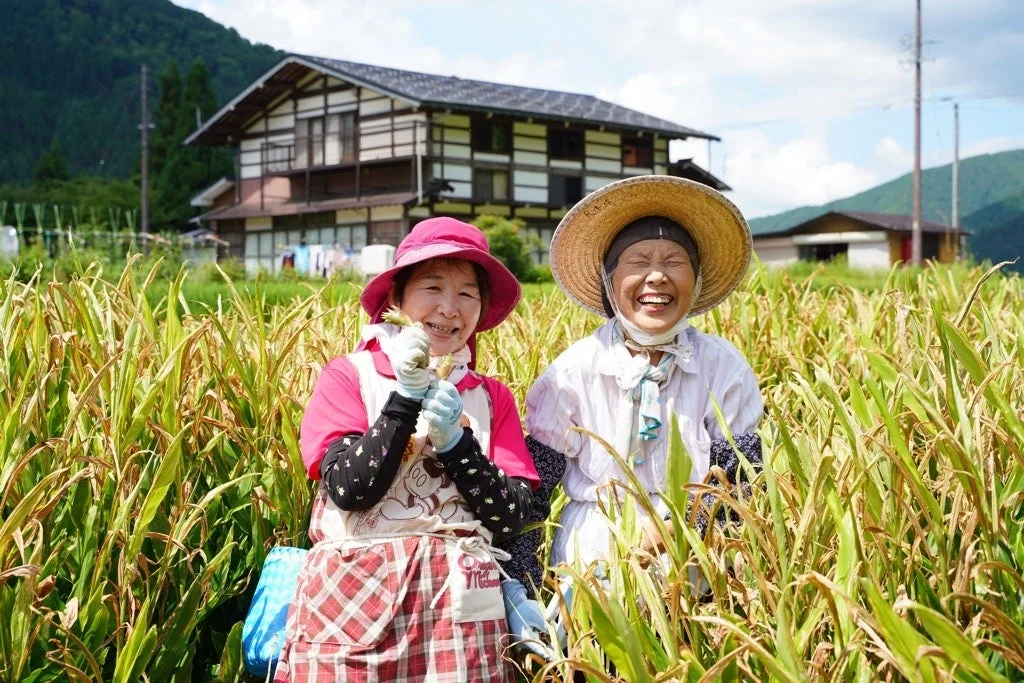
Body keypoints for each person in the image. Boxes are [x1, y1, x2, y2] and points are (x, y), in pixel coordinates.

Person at [274, 217, 541, 681]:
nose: (448, 308)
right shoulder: (349, 376)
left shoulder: (490, 397)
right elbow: (347, 488)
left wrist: (458, 445)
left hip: (462, 607)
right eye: (432, 287)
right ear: (396, 298)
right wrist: (403, 401)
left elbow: (512, 515)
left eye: (466, 293)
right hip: (353, 601)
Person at [522, 174, 764, 579]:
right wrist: (523, 581)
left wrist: (672, 530)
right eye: (638, 262)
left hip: (696, 553)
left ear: (696, 279)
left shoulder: (722, 366)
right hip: (594, 558)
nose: (657, 277)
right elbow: (535, 489)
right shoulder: (572, 371)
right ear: (609, 280)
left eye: (674, 262)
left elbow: (739, 478)